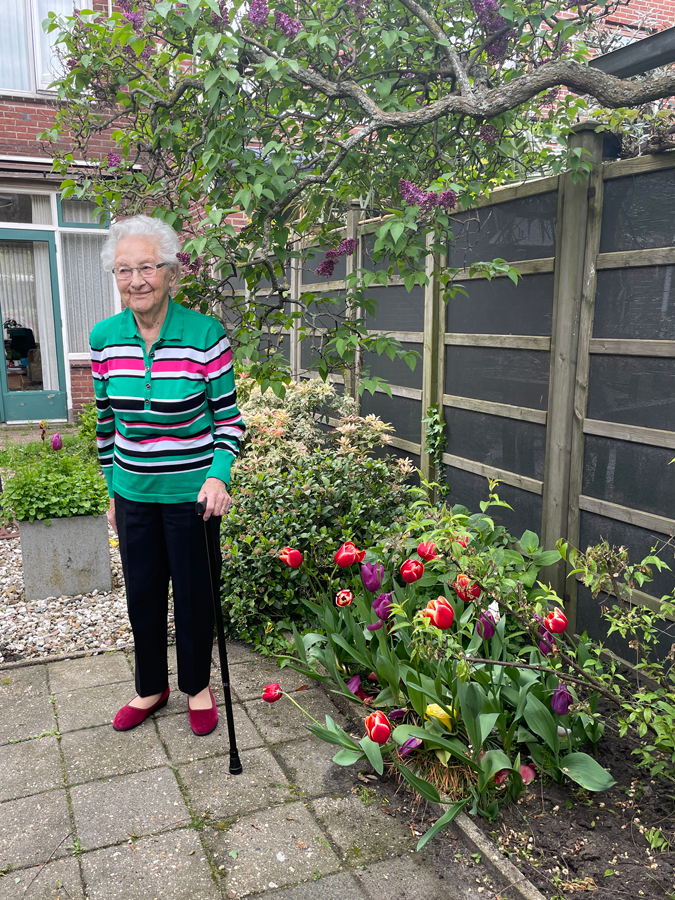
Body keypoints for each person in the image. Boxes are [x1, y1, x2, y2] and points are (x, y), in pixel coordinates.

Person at [90, 215, 245, 736]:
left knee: (197, 595)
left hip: (193, 494)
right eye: (124, 270)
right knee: (144, 593)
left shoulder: (205, 334)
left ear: (171, 273)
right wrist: (113, 491)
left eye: (147, 267)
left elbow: (228, 420)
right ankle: (150, 686)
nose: (136, 280)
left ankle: (197, 686)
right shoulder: (104, 339)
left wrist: (219, 476)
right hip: (134, 492)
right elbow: (106, 423)